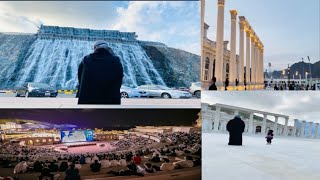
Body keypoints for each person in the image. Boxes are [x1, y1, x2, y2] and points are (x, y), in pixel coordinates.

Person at [77, 40, 124, 104]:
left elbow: (80, 77)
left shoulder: (86, 59)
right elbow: (120, 77)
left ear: (95, 48)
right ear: (107, 48)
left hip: (87, 101)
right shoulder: (116, 60)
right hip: (111, 101)